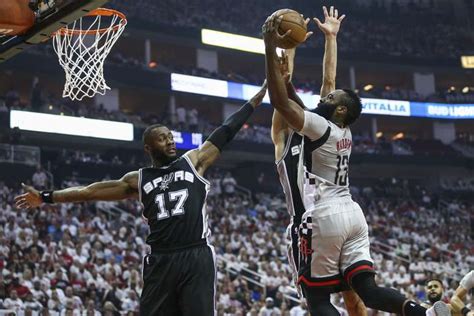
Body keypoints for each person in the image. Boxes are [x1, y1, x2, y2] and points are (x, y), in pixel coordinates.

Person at [15, 82, 267, 316]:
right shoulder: (138, 179)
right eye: (162, 138)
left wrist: (255, 101)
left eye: (170, 136)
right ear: (148, 148)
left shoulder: (193, 162)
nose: (170, 141)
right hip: (160, 257)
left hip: (196, 254)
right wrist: (47, 197)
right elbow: (89, 192)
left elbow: (226, 131)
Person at [262, 6, 450, 316]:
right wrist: (330, 40)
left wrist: (278, 49)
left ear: (338, 110)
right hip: (351, 212)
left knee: (319, 300)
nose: (324, 98)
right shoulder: (336, 128)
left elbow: (285, 100)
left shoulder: (316, 128)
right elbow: (322, 88)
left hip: (316, 220)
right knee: (363, 292)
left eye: (330, 100)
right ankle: (424, 313)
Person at [270, 6, 366, 316]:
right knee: (331, 301)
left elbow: (329, 81)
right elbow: (283, 97)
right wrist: (289, 51)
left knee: (349, 297)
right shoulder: (285, 139)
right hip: (309, 225)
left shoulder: (322, 130)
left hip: (328, 219)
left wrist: (331, 39)